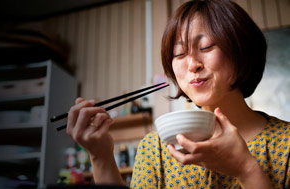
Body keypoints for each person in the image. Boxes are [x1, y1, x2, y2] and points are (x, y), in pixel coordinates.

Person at [66, 0, 290, 188]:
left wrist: (247, 169)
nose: (192, 64)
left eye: (206, 47)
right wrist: (100, 155)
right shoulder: (156, 150)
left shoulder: (286, 143)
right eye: (179, 53)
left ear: (241, 52)